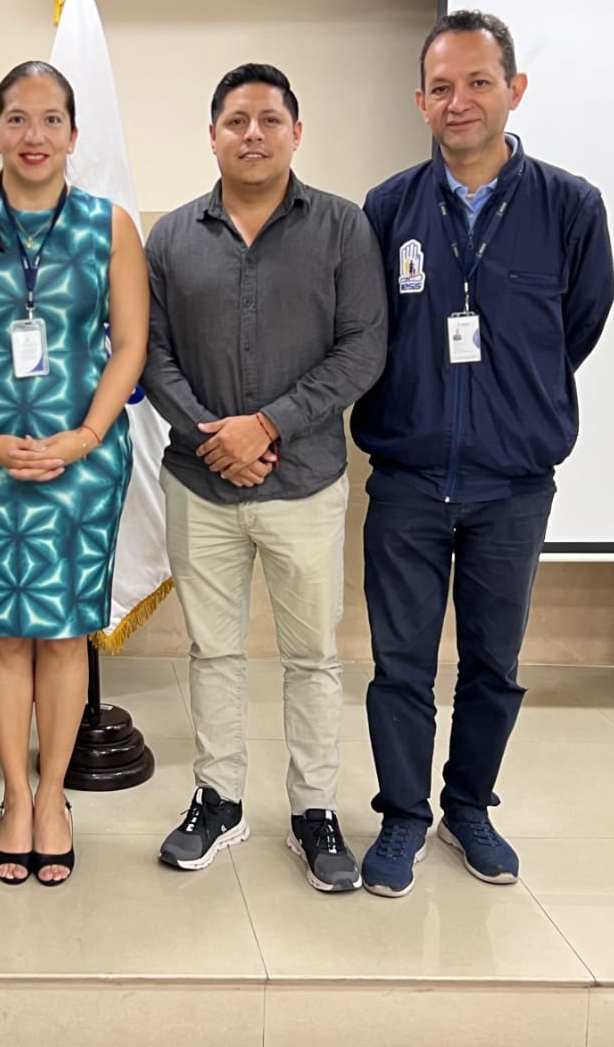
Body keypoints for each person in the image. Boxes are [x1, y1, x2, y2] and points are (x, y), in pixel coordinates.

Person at [354, 11, 614, 898]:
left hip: (513, 484)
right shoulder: (389, 209)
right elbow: (370, 334)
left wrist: (511, 403)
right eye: (441, 87)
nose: (458, 101)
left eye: (477, 82)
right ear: (420, 101)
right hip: (408, 478)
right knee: (400, 666)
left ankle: (468, 807)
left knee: (494, 666)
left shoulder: (570, 207)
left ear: (514, 89)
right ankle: (402, 815)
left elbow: (579, 326)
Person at [143, 64, 386, 890]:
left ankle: (314, 811)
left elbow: (363, 348)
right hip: (199, 481)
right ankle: (219, 800)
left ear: (296, 133)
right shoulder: (171, 239)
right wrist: (216, 438)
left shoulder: (343, 229)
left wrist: (268, 425)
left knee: (312, 656)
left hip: (305, 480)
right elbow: (152, 355)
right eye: (237, 120)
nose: (253, 133)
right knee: (213, 651)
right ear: (212, 135)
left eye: (270, 119)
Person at [0, 61, 146, 887]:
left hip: (81, 463)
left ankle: (54, 797)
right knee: (4, 634)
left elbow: (129, 345)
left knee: (62, 633)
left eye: (52, 120)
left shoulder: (109, 226)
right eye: (18, 119)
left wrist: (84, 435)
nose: (34, 136)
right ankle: (15, 796)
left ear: (74, 135)